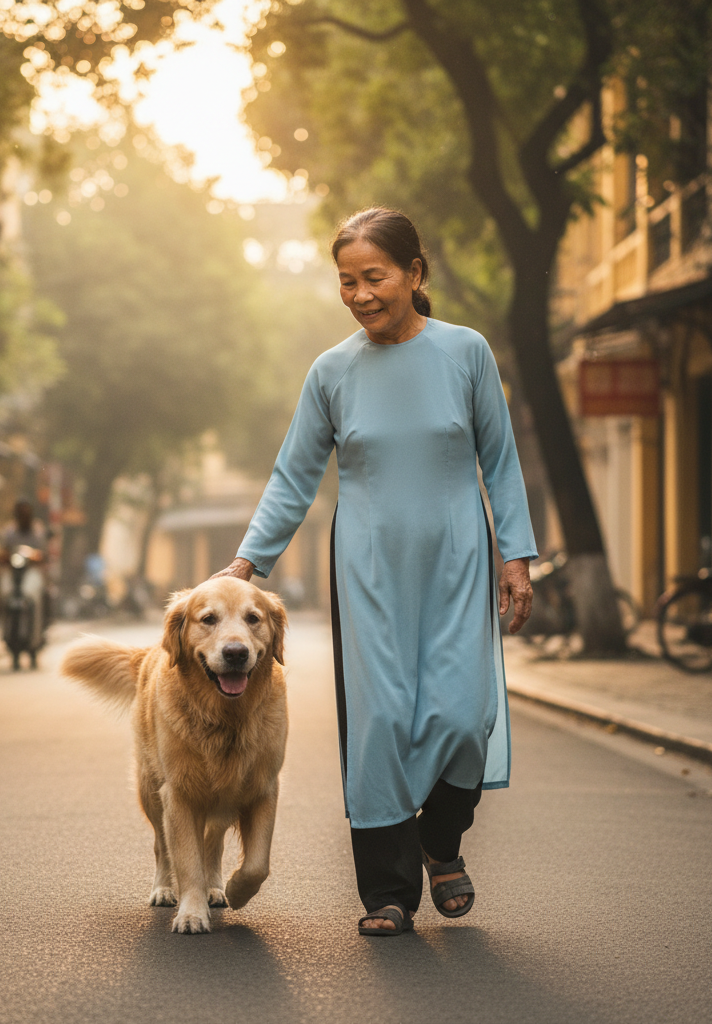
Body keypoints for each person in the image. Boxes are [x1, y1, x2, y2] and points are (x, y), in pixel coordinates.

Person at [213, 208, 536, 938]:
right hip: (368, 567)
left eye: (374, 277)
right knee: (383, 723)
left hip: (458, 559)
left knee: (461, 717)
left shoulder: (466, 353)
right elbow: (293, 476)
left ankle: (441, 842)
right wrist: (247, 560)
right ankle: (388, 894)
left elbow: (500, 459)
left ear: (415, 274)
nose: (359, 294)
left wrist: (514, 555)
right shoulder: (332, 372)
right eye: (347, 281)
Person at [0, 500, 51, 648]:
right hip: (12, 571)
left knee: (34, 595)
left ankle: (38, 633)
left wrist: (35, 555)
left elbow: (43, 552)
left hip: (32, 570)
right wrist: (2, 556)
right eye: (21, 512)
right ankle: (2, 626)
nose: (24, 515)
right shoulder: (9, 531)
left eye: (26, 512)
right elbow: (2, 551)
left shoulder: (37, 530)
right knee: (2, 591)